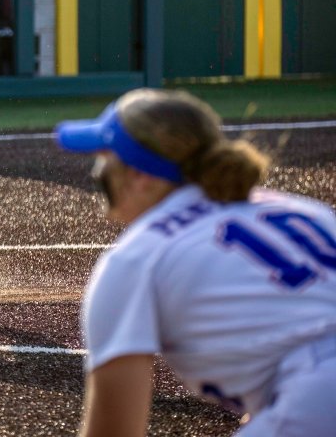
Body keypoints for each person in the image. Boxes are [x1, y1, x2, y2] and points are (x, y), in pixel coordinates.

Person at [57, 89, 336, 437]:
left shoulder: (136, 258)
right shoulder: (304, 210)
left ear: (141, 176)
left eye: (105, 159)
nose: (97, 173)